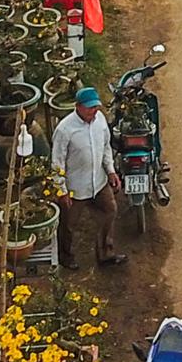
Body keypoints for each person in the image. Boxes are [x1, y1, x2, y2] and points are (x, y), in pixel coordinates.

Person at [51, 87, 124, 268]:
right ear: (78, 107)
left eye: (96, 107)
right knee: (68, 224)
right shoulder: (64, 130)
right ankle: (65, 256)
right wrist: (61, 190)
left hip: (98, 182)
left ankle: (105, 252)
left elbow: (106, 147)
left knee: (110, 210)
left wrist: (110, 171)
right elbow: (57, 163)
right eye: (90, 108)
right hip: (75, 188)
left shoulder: (100, 121)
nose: (94, 111)